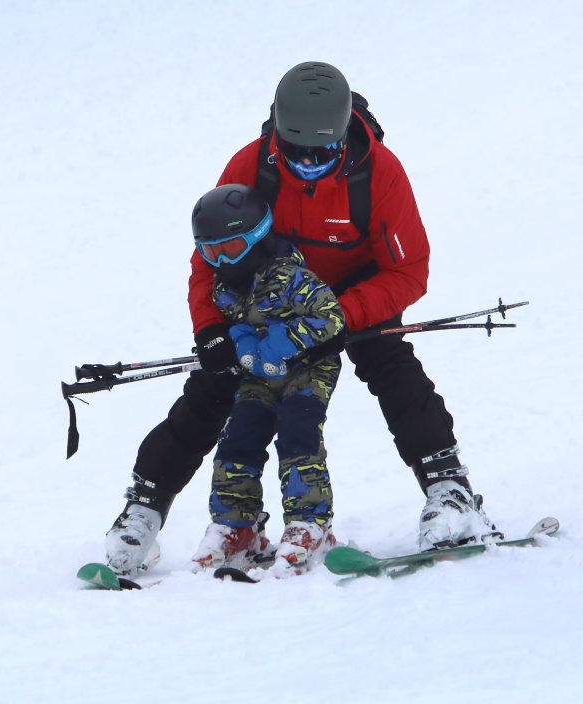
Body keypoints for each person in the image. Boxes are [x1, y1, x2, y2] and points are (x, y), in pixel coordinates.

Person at [105, 61, 500, 577]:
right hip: (268, 298)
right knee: (217, 381)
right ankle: (144, 508)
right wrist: (211, 331)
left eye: (322, 153)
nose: (308, 164)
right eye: (295, 152)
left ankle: (450, 490)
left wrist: (340, 319)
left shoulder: (381, 173)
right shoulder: (251, 166)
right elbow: (209, 257)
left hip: (356, 295)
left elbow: (409, 271)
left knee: (389, 362)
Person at [186, 184, 344, 577]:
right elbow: (230, 325)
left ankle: (311, 524)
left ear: (257, 238)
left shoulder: (290, 276)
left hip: (308, 369)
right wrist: (237, 341)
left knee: (297, 432)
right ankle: (237, 527)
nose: (222, 260)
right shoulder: (224, 288)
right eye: (211, 252)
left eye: (232, 248)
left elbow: (332, 317)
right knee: (239, 437)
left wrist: (284, 341)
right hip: (259, 376)